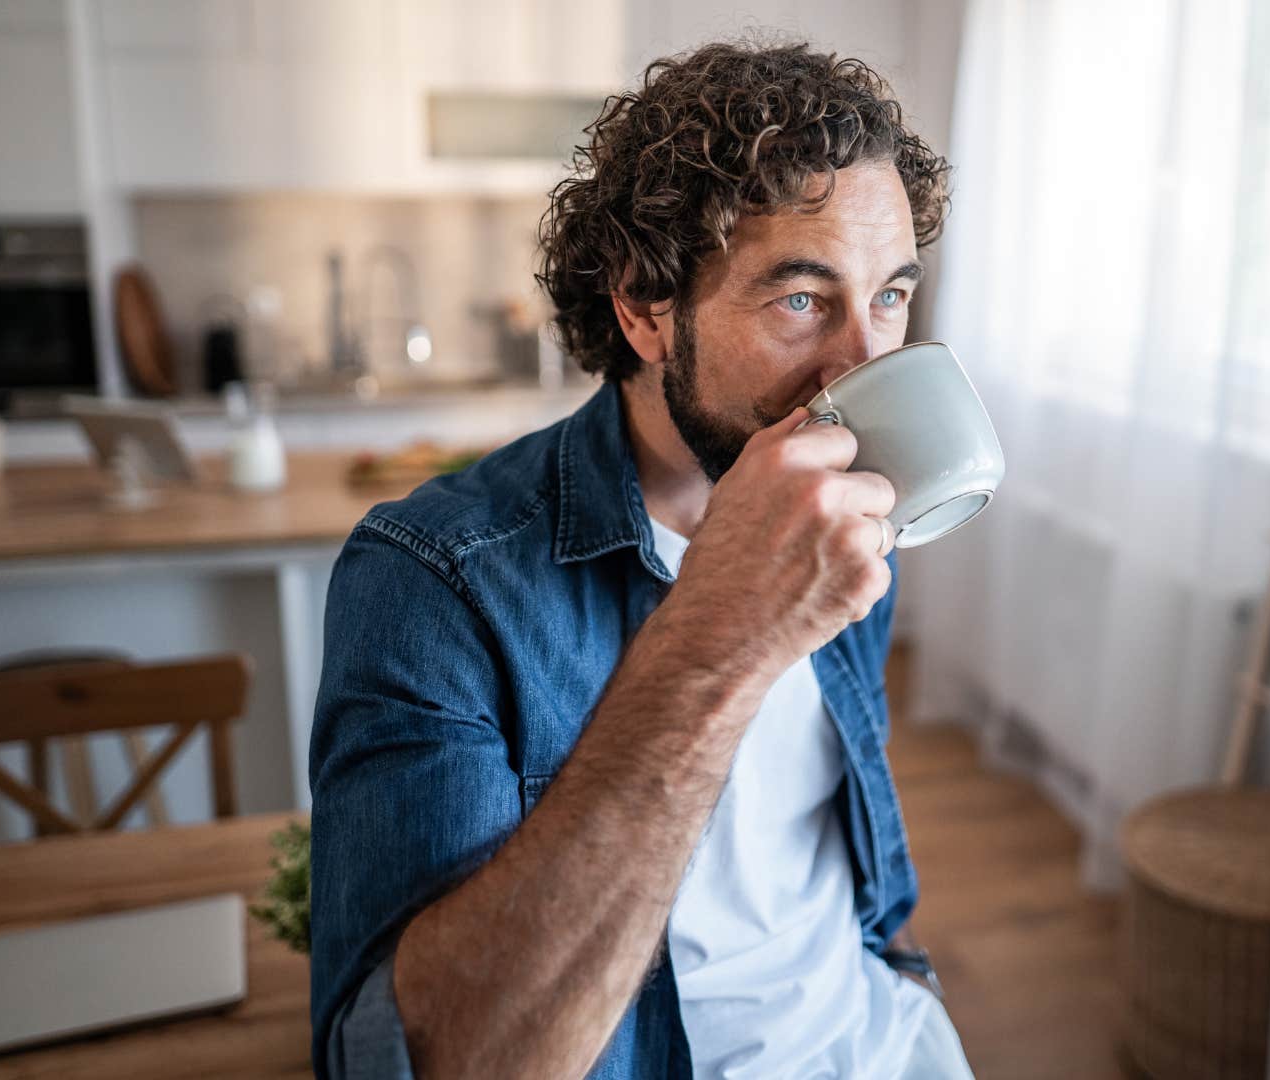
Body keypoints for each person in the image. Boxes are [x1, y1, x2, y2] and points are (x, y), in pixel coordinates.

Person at [308, 39, 972, 1079]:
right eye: (802, 300)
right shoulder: (435, 580)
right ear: (644, 309)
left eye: (889, 295)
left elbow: (818, 866)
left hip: (882, 1040)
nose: (864, 366)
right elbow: (422, 1061)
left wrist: (908, 984)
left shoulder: (854, 514)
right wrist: (720, 642)